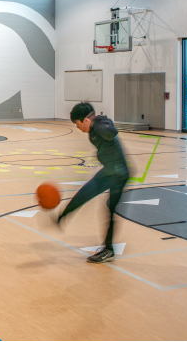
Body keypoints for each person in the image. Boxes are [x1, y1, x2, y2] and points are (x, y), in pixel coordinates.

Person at [55, 101, 129, 263]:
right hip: (109, 171)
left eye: (78, 124)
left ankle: (109, 250)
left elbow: (111, 132)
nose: (78, 128)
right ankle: (63, 216)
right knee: (85, 193)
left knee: (109, 209)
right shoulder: (92, 130)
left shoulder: (101, 124)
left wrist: (98, 125)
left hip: (118, 173)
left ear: (86, 121)